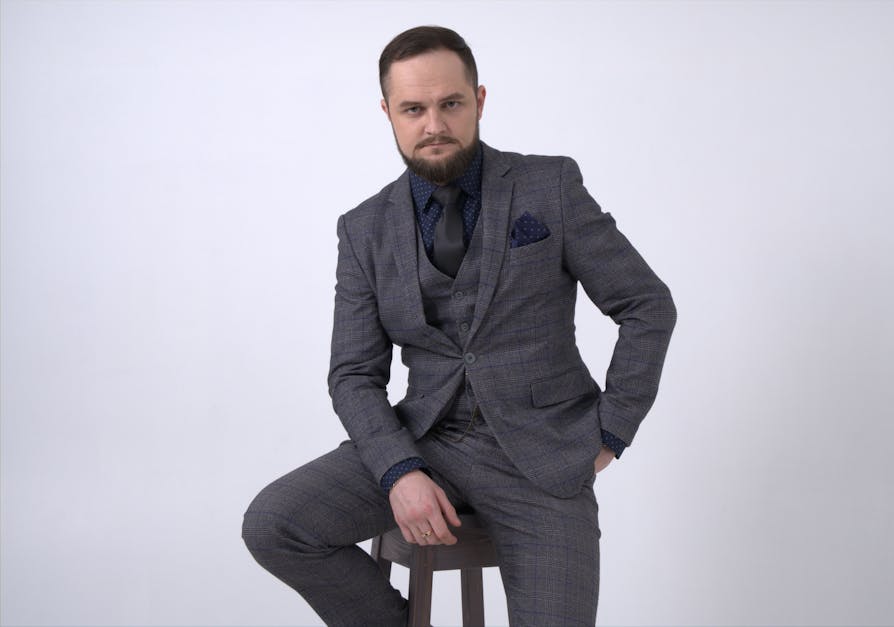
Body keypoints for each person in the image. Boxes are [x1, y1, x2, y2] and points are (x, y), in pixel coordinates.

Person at [242, 25, 676, 627]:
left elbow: (647, 305)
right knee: (275, 524)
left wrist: (611, 433)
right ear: (388, 113)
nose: (434, 125)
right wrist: (399, 470)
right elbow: (353, 375)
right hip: (427, 441)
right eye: (413, 109)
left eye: (451, 104)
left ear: (479, 100)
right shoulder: (364, 229)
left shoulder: (548, 187)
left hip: (545, 456)